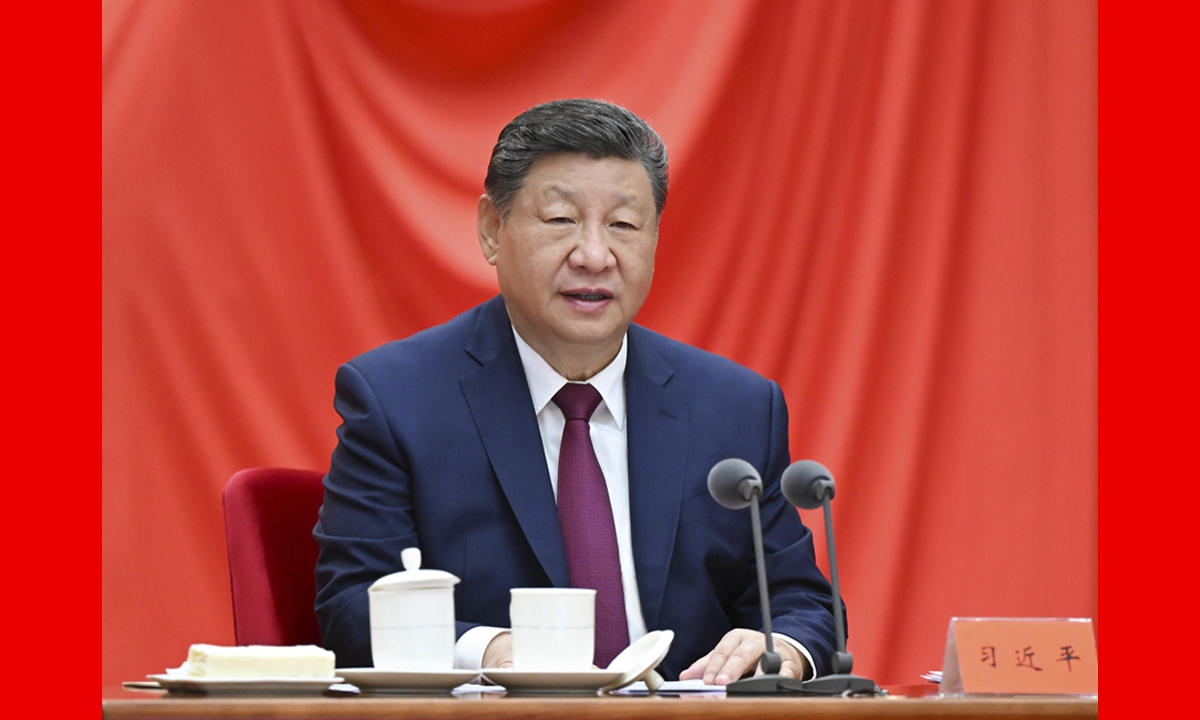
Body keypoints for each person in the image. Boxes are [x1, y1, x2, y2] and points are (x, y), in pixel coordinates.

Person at [313, 98, 840, 683]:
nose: (595, 255)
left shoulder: (735, 407)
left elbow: (802, 604)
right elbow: (353, 605)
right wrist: (489, 652)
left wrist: (784, 647)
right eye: (561, 220)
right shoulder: (397, 400)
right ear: (492, 229)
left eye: (623, 225)